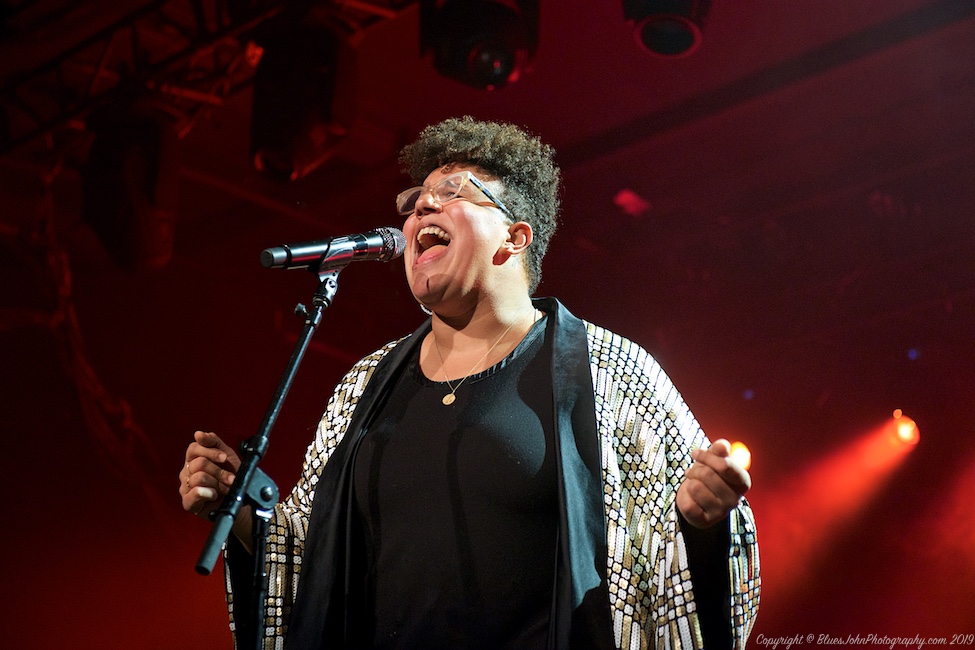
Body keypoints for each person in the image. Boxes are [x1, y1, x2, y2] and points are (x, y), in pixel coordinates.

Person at [179, 116, 760, 649]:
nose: (420, 212)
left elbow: (668, 567)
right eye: (414, 203)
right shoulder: (365, 386)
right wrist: (246, 513)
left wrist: (700, 521)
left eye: (452, 194)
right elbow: (311, 564)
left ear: (515, 238)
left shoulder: (610, 372)